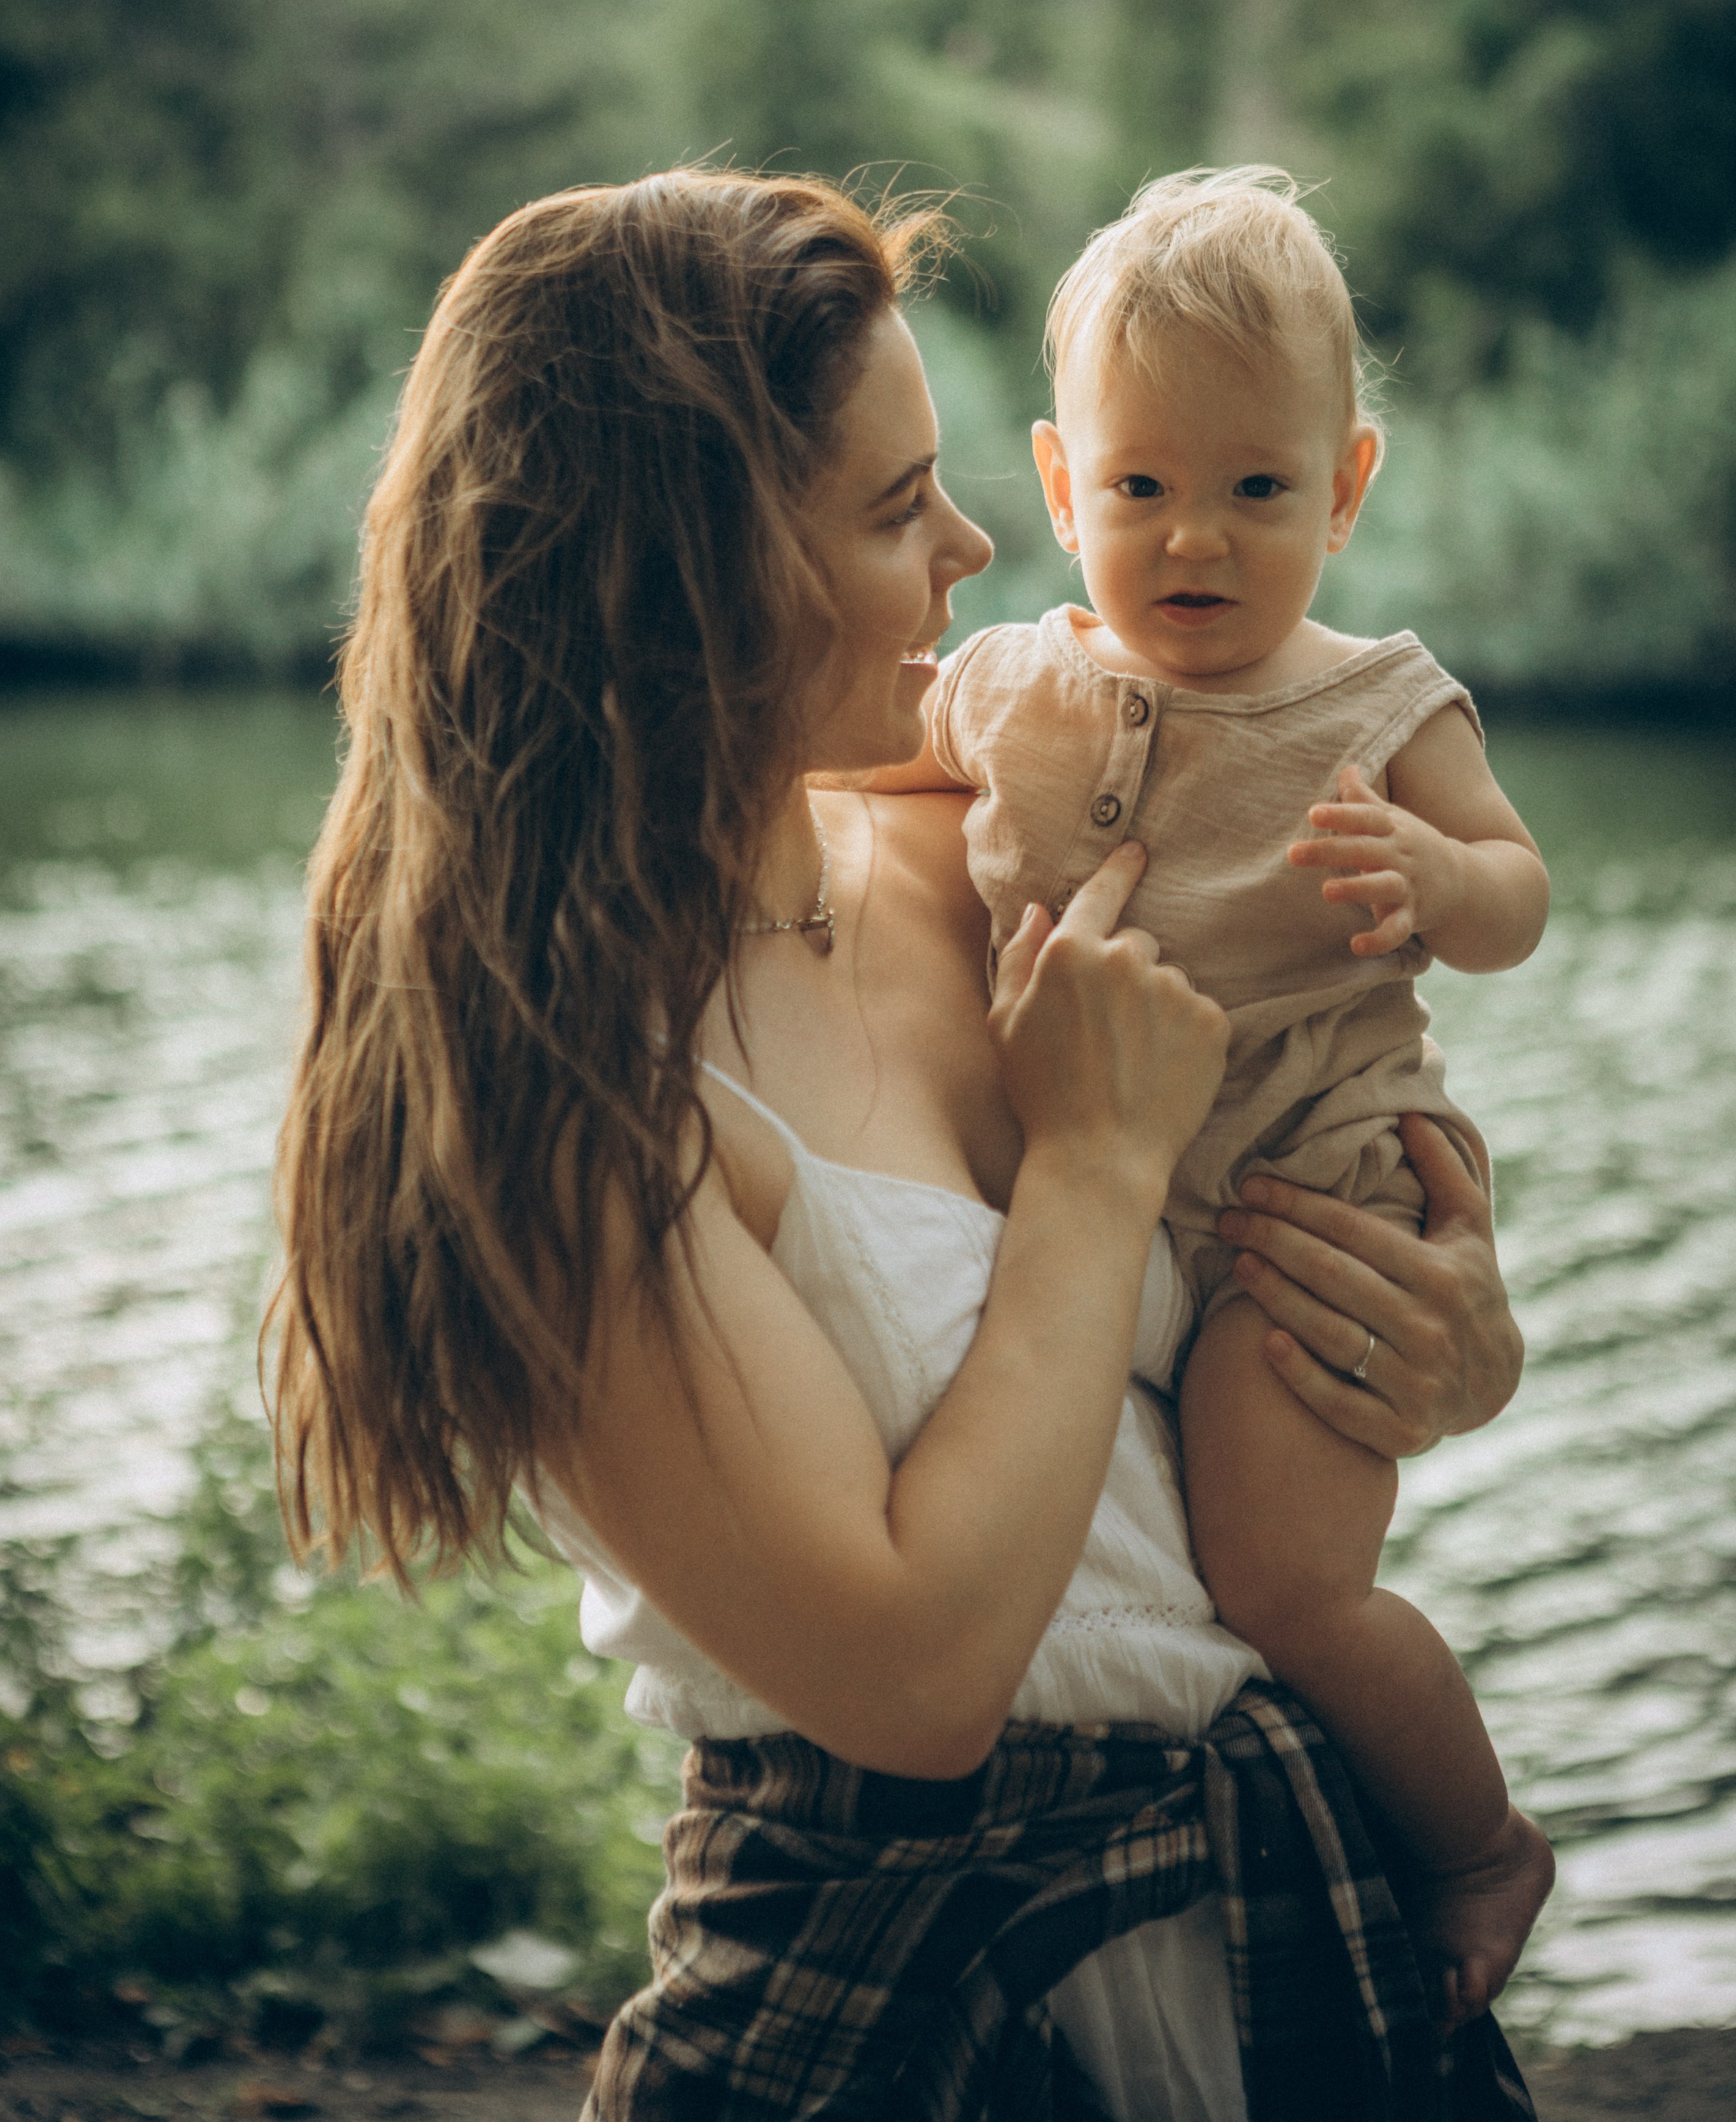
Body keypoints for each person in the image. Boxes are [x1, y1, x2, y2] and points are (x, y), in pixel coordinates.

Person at [265, 169, 1538, 2121]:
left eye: (947, 479)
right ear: (683, 571)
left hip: (1294, 1903)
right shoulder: (570, 1096)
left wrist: (1438, 1338)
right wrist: (1101, 1168)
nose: (970, 549)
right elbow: (918, 1680)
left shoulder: (990, 860)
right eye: (888, 507)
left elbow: (1269, 1240)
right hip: (896, 2006)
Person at [888, 166, 1555, 2026]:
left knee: (1281, 1584)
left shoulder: (1376, 709)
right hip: (1108, 1193)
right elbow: (857, 758)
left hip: (1308, 1202)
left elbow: (1518, 891)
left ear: (1343, 488)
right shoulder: (1009, 685)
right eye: (1139, 489)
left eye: (1256, 490)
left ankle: (1477, 1842)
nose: (1193, 540)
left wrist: (1439, 886)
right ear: (1055, 485)